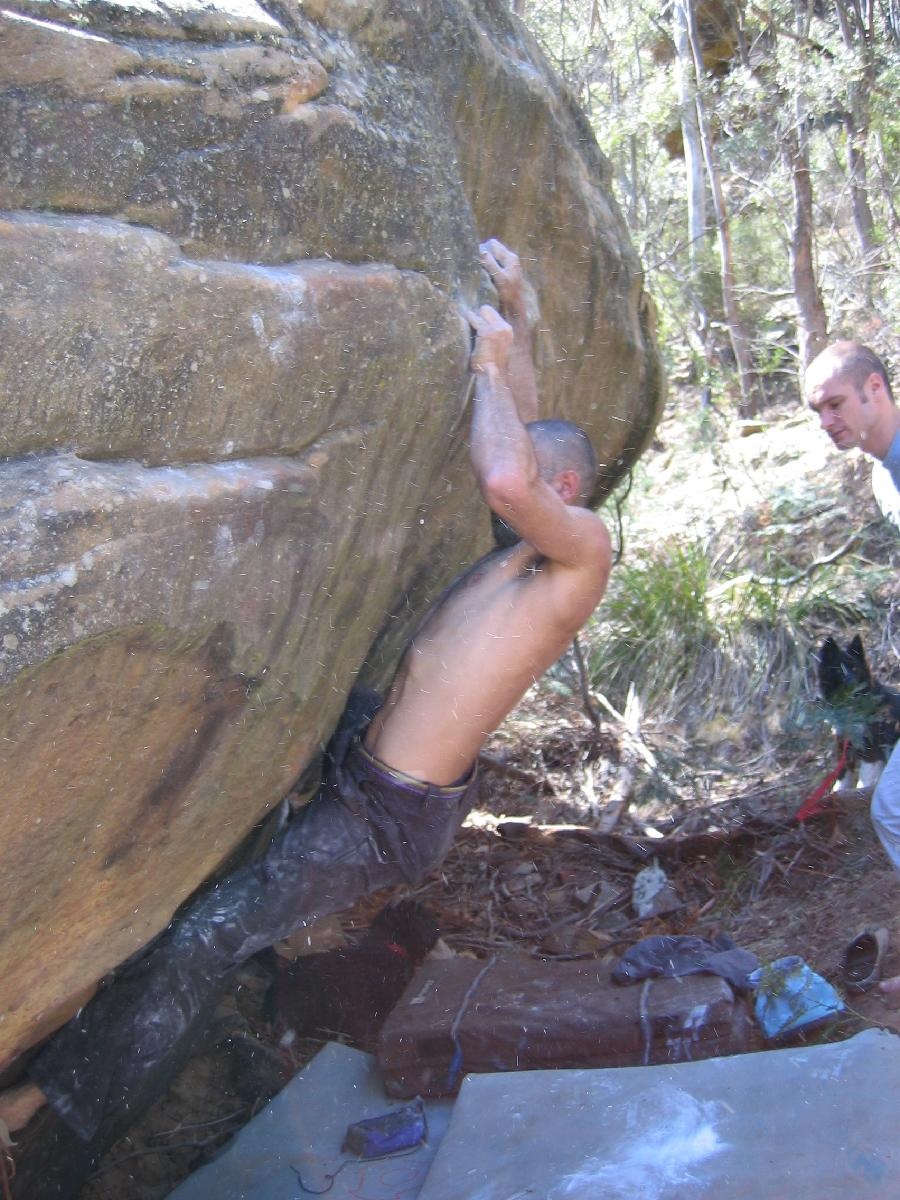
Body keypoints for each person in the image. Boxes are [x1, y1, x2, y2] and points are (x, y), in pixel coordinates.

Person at [0, 240, 612, 1141]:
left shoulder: (583, 552)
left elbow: (507, 472)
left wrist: (486, 364)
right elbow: (526, 434)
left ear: (564, 491)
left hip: (388, 815)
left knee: (209, 935)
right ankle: (280, 904)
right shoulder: (530, 550)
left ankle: (43, 1106)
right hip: (371, 752)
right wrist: (516, 315)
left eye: (535, 473)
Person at [804, 340, 900, 994]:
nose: (826, 421)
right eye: (817, 411)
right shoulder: (882, 476)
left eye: (835, 404)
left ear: (875, 389)